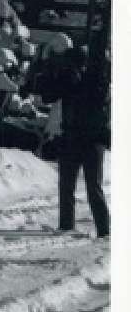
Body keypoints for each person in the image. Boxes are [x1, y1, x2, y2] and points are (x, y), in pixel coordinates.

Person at [39, 40, 110, 237]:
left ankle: (103, 231)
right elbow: (48, 96)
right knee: (70, 186)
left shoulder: (96, 81)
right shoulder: (69, 79)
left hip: (90, 139)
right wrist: (52, 74)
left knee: (89, 187)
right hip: (75, 137)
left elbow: (98, 97)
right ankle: (68, 227)